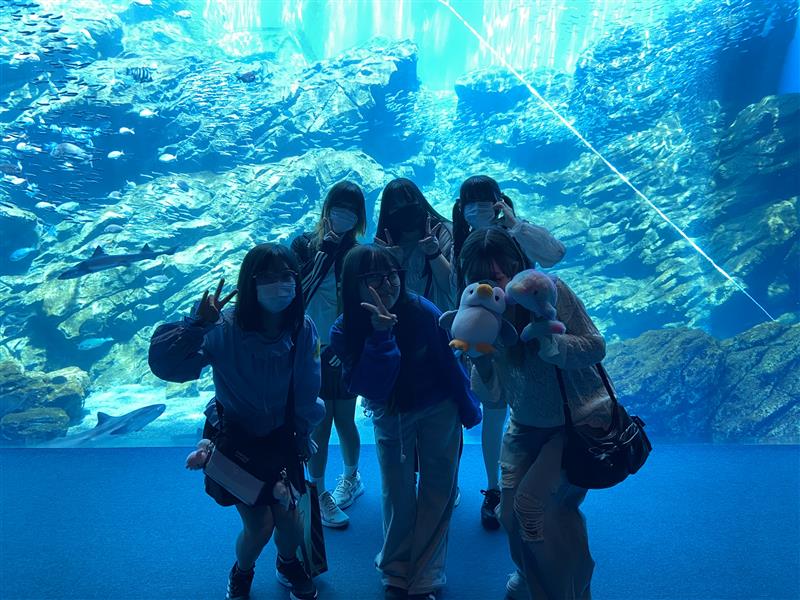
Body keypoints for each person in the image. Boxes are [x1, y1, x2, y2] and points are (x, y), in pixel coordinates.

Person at [148, 244, 324, 600]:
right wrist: (195, 326)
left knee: (290, 519)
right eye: (268, 277)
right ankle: (242, 571)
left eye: (286, 276)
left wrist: (303, 434)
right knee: (260, 525)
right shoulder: (223, 327)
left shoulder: (301, 328)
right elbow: (167, 366)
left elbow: (308, 387)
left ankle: (287, 562)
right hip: (235, 438)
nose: (280, 285)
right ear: (249, 283)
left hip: (281, 437)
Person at [459, 227, 611, 600]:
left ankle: (568, 590)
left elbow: (595, 346)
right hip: (525, 425)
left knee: (536, 509)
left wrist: (552, 343)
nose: (489, 287)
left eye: (497, 276)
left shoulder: (548, 291)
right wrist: (481, 361)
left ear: (516, 266)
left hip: (577, 421)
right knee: (508, 513)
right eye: (479, 279)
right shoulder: (481, 317)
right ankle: (532, 575)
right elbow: (495, 398)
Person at [329, 244, 481, 600]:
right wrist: (381, 336)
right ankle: (395, 570)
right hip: (390, 414)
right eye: (374, 277)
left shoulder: (423, 311)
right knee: (397, 492)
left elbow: (450, 365)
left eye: (392, 274)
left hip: (438, 408)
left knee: (438, 488)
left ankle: (427, 574)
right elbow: (372, 387)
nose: (387, 284)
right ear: (353, 284)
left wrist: (467, 408)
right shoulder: (344, 330)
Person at [451, 174, 567, 530]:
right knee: (494, 413)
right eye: (470, 202)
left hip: (529, 336)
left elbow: (554, 254)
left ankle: (536, 487)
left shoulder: (516, 236)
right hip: (491, 343)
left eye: (485, 200)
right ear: (460, 208)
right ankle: (495, 489)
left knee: (533, 414)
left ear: (500, 201)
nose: (478, 208)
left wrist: (517, 227)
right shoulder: (460, 242)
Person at [291, 181, 367, 529]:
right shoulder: (304, 245)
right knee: (319, 423)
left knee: (345, 419)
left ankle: (351, 478)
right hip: (311, 348)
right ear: (327, 209)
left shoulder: (359, 253)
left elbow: (361, 304)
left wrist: (349, 344)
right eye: (340, 207)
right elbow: (299, 294)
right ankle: (318, 491)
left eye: (352, 210)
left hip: (343, 347)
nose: (345, 214)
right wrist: (325, 251)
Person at [375, 177, 455, 313]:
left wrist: (434, 253)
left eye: (410, 202)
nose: (405, 211)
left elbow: (451, 286)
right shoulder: (384, 244)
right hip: (400, 320)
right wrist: (392, 263)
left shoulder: (444, 232)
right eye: (396, 207)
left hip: (441, 319)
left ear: (420, 201)